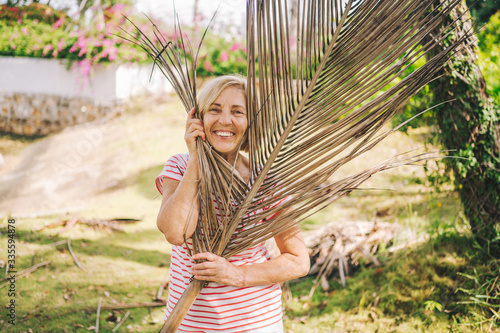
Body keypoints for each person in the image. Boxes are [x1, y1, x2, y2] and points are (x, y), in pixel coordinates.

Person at [155, 75, 310, 332]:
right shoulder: (180, 166)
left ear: (251, 123)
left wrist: (236, 274)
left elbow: (298, 260)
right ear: (199, 118)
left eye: (237, 111)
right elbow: (175, 232)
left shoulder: (265, 182)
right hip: (191, 324)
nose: (225, 120)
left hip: (254, 323)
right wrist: (196, 161)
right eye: (214, 109)